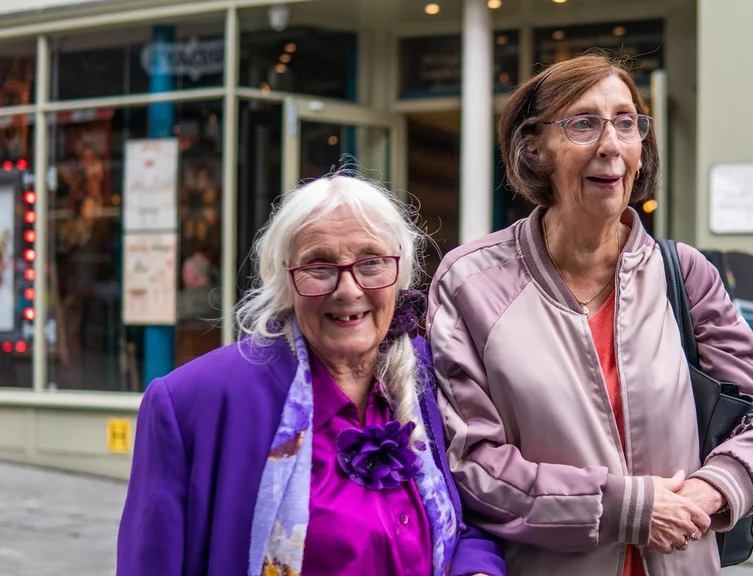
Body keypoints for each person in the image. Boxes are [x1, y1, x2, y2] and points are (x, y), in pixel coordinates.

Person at [426, 54, 753, 576]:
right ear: (534, 149)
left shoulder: (685, 274)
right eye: (583, 123)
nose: (611, 145)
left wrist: (712, 489)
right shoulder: (471, 282)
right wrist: (626, 509)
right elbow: (473, 466)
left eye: (627, 123)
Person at [117, 174, 506, 576]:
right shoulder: (193, 402)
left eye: (371, 262)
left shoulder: (433, 374)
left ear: (400, 272)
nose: (348, 289)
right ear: (285, 278)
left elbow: (472, 514)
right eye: (319, 266)